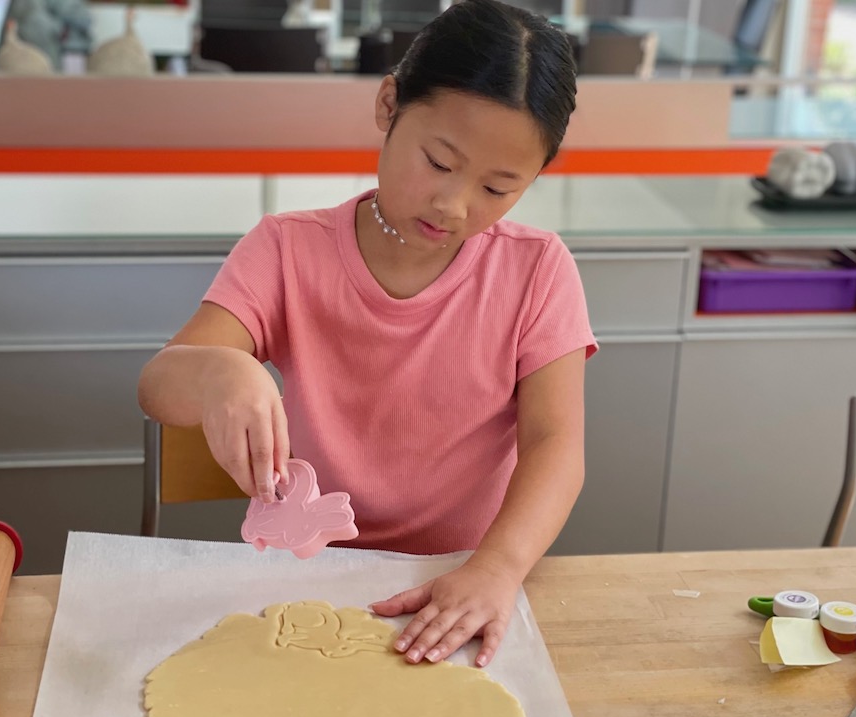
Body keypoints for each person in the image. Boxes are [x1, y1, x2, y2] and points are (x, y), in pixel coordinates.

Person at [137, 0, 597, 669]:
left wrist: (498, 567)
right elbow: (157, 385)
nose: (454, 204)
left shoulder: (536, 270)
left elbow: (557, 444)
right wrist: (216, 373)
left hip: (460, 583)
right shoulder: (287, 250)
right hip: (307, 580)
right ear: (389, 105)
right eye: (439, 162)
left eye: (498, 188)